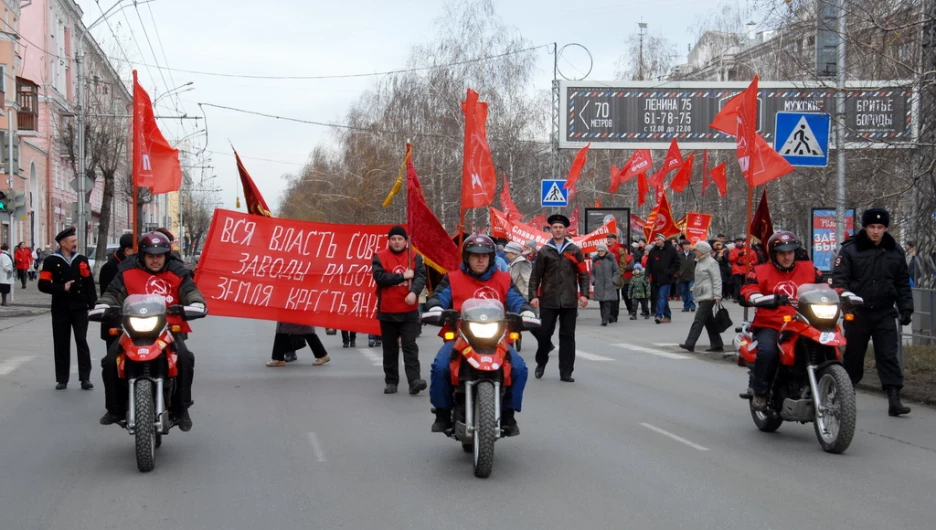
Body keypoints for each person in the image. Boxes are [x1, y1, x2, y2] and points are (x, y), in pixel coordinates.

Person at [95, 231, 205, 431]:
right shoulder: (126, 272)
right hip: (132, 328)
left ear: (166, 255)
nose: (155, 260)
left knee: (185, 357)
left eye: (160, 256)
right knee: (110, 360)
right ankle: (115, 408)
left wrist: (195, 304)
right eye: (150, 256)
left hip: (169, 327)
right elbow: (112, 294)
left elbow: (191, 292)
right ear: (142, 256)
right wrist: (103, 306)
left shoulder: (178, 272)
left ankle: (182, 408)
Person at [424, 234, 533, 435]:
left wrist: (525, 310)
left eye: (485, 255)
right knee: (440, 368)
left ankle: (508, 414)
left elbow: (516, 299)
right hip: (460, 337)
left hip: (497, 338)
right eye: (475, 255)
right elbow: (439, 296)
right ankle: (442, 412)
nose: (480, 260)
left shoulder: (504, 279)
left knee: (519, 368)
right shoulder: (453, 278)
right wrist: (436, 307)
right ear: (467, 257)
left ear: (492, 257)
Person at [832, 208, 914, 416]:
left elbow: (902, 283)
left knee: (888, 355)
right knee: (853, 356)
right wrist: (846, 299)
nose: (876, 231)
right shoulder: (850, 250)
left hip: (884, 312)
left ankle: (894, 398)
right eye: (872, 227)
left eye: (880, 227)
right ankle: (845, 396)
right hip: (857, 312)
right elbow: (840, 280)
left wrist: (906, 308)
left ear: (885, 228)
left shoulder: (895, 252)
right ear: (865, 228)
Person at [741, 231, 822, 411]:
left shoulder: (809, 268)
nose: (787, 257)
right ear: (774, 254)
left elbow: (826, 285)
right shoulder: (760, 271)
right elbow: (748, 289)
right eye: (782, 253)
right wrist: (757, 297)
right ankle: (760, 392)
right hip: (771, 324)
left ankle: (834, 385)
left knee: (827, 343)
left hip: (804, 322)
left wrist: (841, 296)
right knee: (769, 351)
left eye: (790, 252)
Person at [528, 214, 590, 382]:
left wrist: (584, 294)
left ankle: (566, 371)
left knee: (568, 336)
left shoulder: (574, 250)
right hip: (548, 299)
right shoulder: (544, 251)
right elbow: (535, 276)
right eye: (555, 227)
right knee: (544, 333)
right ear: (551, 229)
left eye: (560, 227)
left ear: (565, 230)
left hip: (569, 300)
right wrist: (533, 296)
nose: (557, 230)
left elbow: (583, 274)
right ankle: (541, 361)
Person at [37, 228, 97, 390]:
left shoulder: (81, 260)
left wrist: (94, 306)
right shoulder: (51, 261)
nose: (75, 244)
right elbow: (43, 285)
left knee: (81, 341)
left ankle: (85, 378)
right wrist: (61, 287)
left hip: (79, 307)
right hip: (60, 308)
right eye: (72, 241)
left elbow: (89, 284)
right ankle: (62, 378)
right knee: (61, 343)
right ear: (63, 243)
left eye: (75, 241)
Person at [371, 225, 428, 395]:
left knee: (410, 346)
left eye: (400, 239)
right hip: (387, 310)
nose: (397, 242)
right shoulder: (379, 257)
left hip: (409, 310)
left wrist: (413, 291)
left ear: (405, 241)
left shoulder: (414, 257)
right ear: (389, 241)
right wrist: (403, 276)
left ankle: (414, 381)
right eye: (393, 239)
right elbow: (380, 277)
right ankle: (391, 381)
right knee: (390, 348)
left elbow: (421, 277)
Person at [679, 241, 724, 353]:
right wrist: (694, 287)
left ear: (702, 251)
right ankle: (717, 344)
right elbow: (700, 278)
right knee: (709, 322)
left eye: (696, 250)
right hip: (702, 294)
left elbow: (717, 279)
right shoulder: (699, 261)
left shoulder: (711, 262)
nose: (695, 252)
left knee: (698, 319)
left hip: (709, 296)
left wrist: (718, 295)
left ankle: (690, 343)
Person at [98, 234, 136, 353]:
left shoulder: (136, 265)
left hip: (135, 319)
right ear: (128, 251)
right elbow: (107, 295)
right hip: (115, 319)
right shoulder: (110, 268)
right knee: (112, 359)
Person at [647, 234, 679, 324]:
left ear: (663, 240)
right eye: (655, 240)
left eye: (658, 240)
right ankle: (667, 315)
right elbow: (649, 264)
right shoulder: (653, 250)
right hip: (655, 278)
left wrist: (670, 272)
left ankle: (658, 315)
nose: (657, 242)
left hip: (666, 278)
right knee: (662, 297)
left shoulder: (671, 249)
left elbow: (677, 263)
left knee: (662, 296)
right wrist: (647, 274)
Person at [591, 244, 620, 326]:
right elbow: (592, 273)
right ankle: (604, 317)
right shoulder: (595, 260)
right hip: (599, 285)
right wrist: (594, 281)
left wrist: (614, 281)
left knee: (607, 303)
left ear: (606, 251)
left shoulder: (611, 259)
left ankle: (604, 320)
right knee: (601, 303)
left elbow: (616, 271)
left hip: (609, 285)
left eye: (602, 251)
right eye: (599, 251)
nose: (600, 252)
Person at [729, 235, 749, 302]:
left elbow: (750, 258)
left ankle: (744, 296)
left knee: (744, 284)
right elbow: (731, 258)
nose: (738, 243)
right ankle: (736, 297)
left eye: (740, 241)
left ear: (742, 242)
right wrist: (738, 255)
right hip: (736, 270)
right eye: (737, 242)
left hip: (744, 269)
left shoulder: (746, 249)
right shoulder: (733, 250)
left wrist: (743, 262)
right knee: (737, 284)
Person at [677, 240, 696, 312]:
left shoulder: (693, 254)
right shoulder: (679, 254)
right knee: (683, 292)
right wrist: (678, 272)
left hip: (692, 275)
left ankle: (692, 305)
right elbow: (676, 264)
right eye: (685, 245)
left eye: (688, 245)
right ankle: (686, 306)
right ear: (683, 246)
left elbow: (697, 264)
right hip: (682, 276)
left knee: (691, 291)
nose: (686, 246)